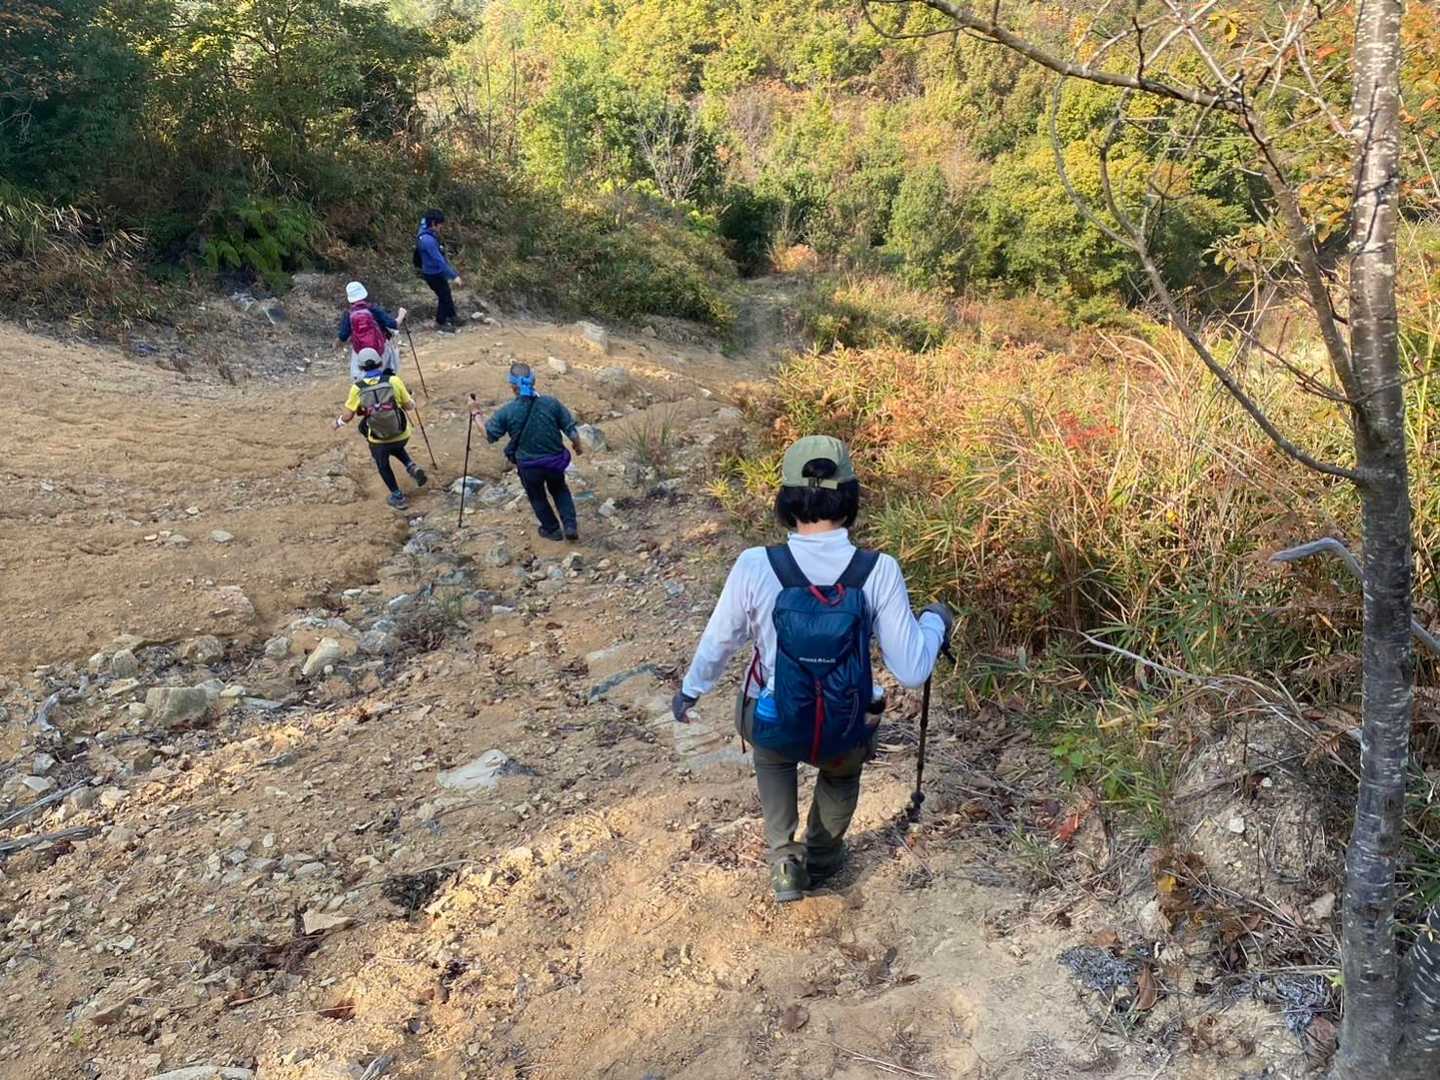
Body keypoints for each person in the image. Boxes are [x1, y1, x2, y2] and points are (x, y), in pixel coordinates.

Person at [671, 435, 954, 902]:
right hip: (843, 724)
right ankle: (822, 857)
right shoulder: (879, 570)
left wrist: (691, 690)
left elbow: (721, 638)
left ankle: (784, 859)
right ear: (850, 496)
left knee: (772, 754)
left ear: (785, 498)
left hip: (774, 718)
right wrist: (935, 623)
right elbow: (911, 670)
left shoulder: (755, 565)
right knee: (842, 771)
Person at [474, 362, 584, 541]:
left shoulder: (507, 412)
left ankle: (552, 530)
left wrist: (475, 414)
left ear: (512, 387)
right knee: (559, 489)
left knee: (537, 496)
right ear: (533, 381)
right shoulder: (551, 403)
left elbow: (488, 434)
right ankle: (570, 525)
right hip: (555, 462)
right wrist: (577, 446)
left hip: (529, 466)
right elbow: (570, 430)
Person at [334, 349, 428, 510]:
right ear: (380, 363)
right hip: (401, 433)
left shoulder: (357, 388)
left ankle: (398, 496)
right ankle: (411, 466)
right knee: (395, 445)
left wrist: (337, 423)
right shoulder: (393, 381)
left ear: (361, 367)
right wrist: (412, 401)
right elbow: (408, 406)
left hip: (378, 437)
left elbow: (348, 416)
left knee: (382, 462)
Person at [337, 281, 405, 379]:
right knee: (388, 367)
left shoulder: (348, 313)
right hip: (379, 348)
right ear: (364, 294)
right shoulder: (373, 309)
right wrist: (401, 314)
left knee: (361, 374)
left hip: (360, 351)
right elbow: (393, 324)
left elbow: (343, 336)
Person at [415, 210, 462, 333]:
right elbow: (439, 261)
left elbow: (424, 220)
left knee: (446, 293)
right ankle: (441, 322)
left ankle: (453, 317)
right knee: (443, 296)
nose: (442, 227)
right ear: (433, 223)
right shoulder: (427, 241)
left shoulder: (425, 228)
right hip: (432, 274)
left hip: (434, 270)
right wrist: (454, 276)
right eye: (440, 224)